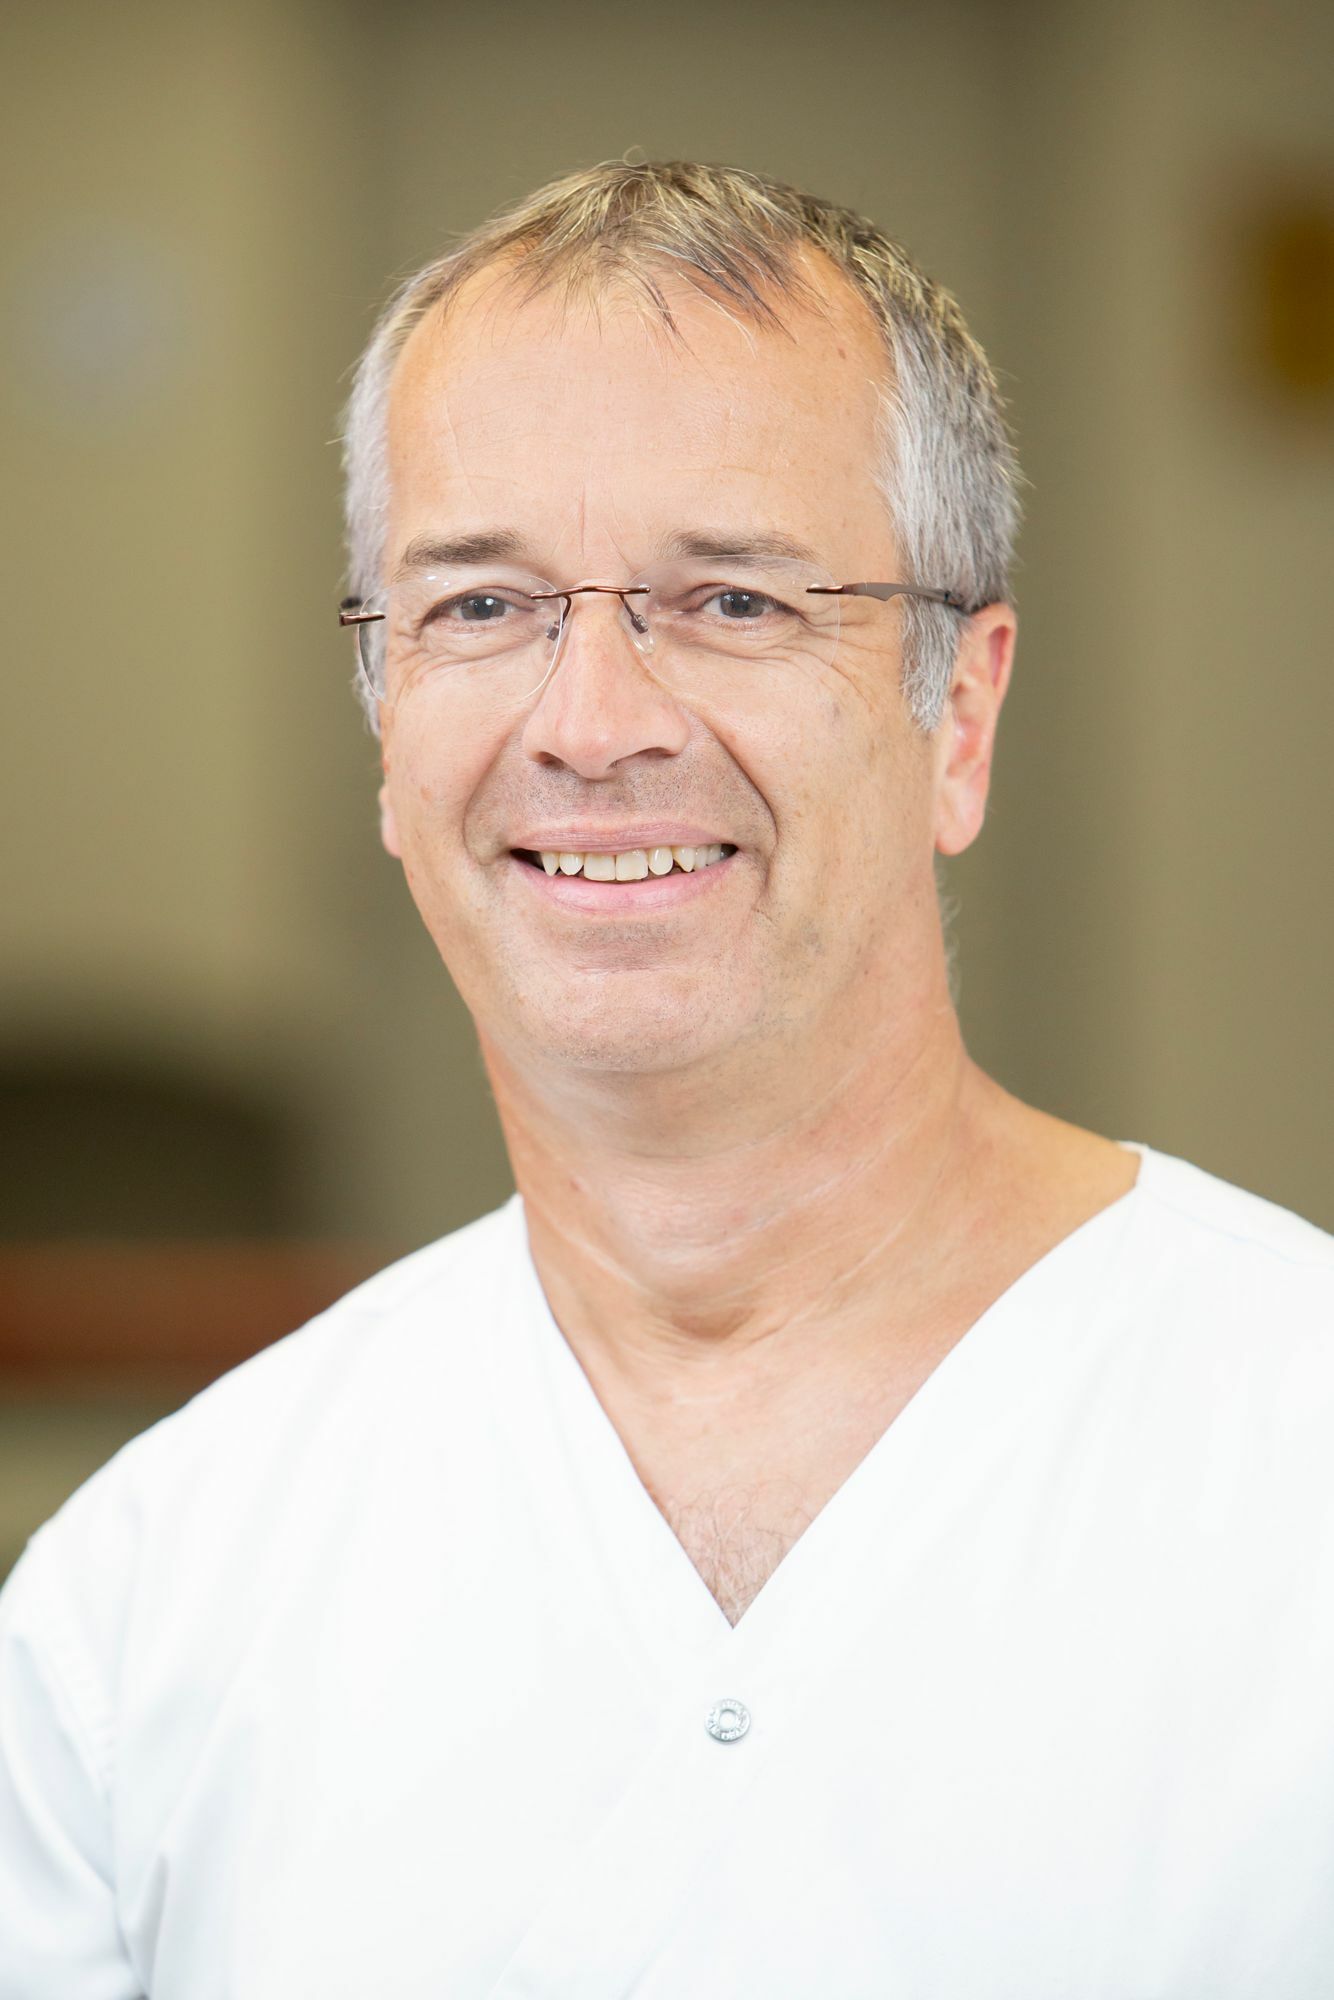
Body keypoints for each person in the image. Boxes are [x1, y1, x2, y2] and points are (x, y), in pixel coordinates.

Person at [1, 159, 1331, 1999]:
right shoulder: (143, 1610)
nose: (593, 725)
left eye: (732, 601)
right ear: (384, 733)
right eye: (481, 607)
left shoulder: (1288, 1451)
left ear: (958, 715)